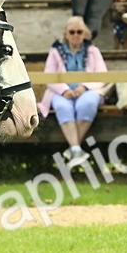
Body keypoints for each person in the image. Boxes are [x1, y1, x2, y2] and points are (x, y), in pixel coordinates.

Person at [37, 16, 109, 166]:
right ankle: (76, 149)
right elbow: (48, 75)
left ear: (84, 34)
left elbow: (103, 75)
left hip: (88, 90)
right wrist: (64, 90)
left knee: (87, 103)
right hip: (61, 92)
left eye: (79, 32)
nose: (76, 35)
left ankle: (74, 149)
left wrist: (84, 87)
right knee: (63, 106)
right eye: (72, 32)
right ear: (66, 34)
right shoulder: (55, 51)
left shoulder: (93, 50)